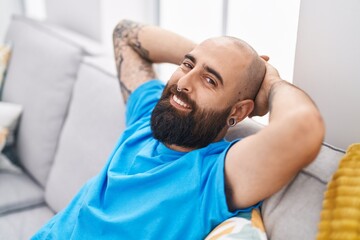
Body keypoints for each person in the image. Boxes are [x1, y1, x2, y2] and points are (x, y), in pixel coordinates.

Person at [32, 20, 325, 239]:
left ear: (238, 111)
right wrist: (216, 55)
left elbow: (303, 130)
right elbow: (125, 35)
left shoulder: (215, 176)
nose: (185, 83)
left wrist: (271, 83)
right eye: (188, 65)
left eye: (210, 81)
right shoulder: (148, 119)